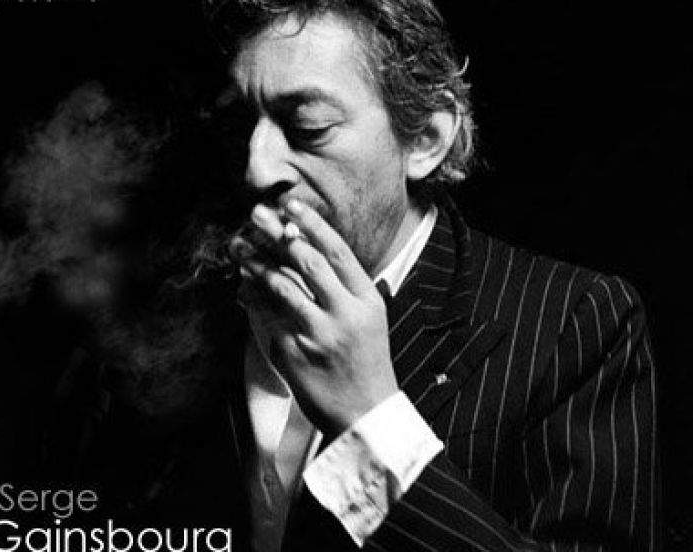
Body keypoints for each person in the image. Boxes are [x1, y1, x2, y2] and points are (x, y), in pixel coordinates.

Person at [83, 1, 659, 551]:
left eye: (308, 127)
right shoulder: (172, 313)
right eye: (244, 125)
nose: (257, 168)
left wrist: (369, 421)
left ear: (426, 138)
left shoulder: (574, 322)